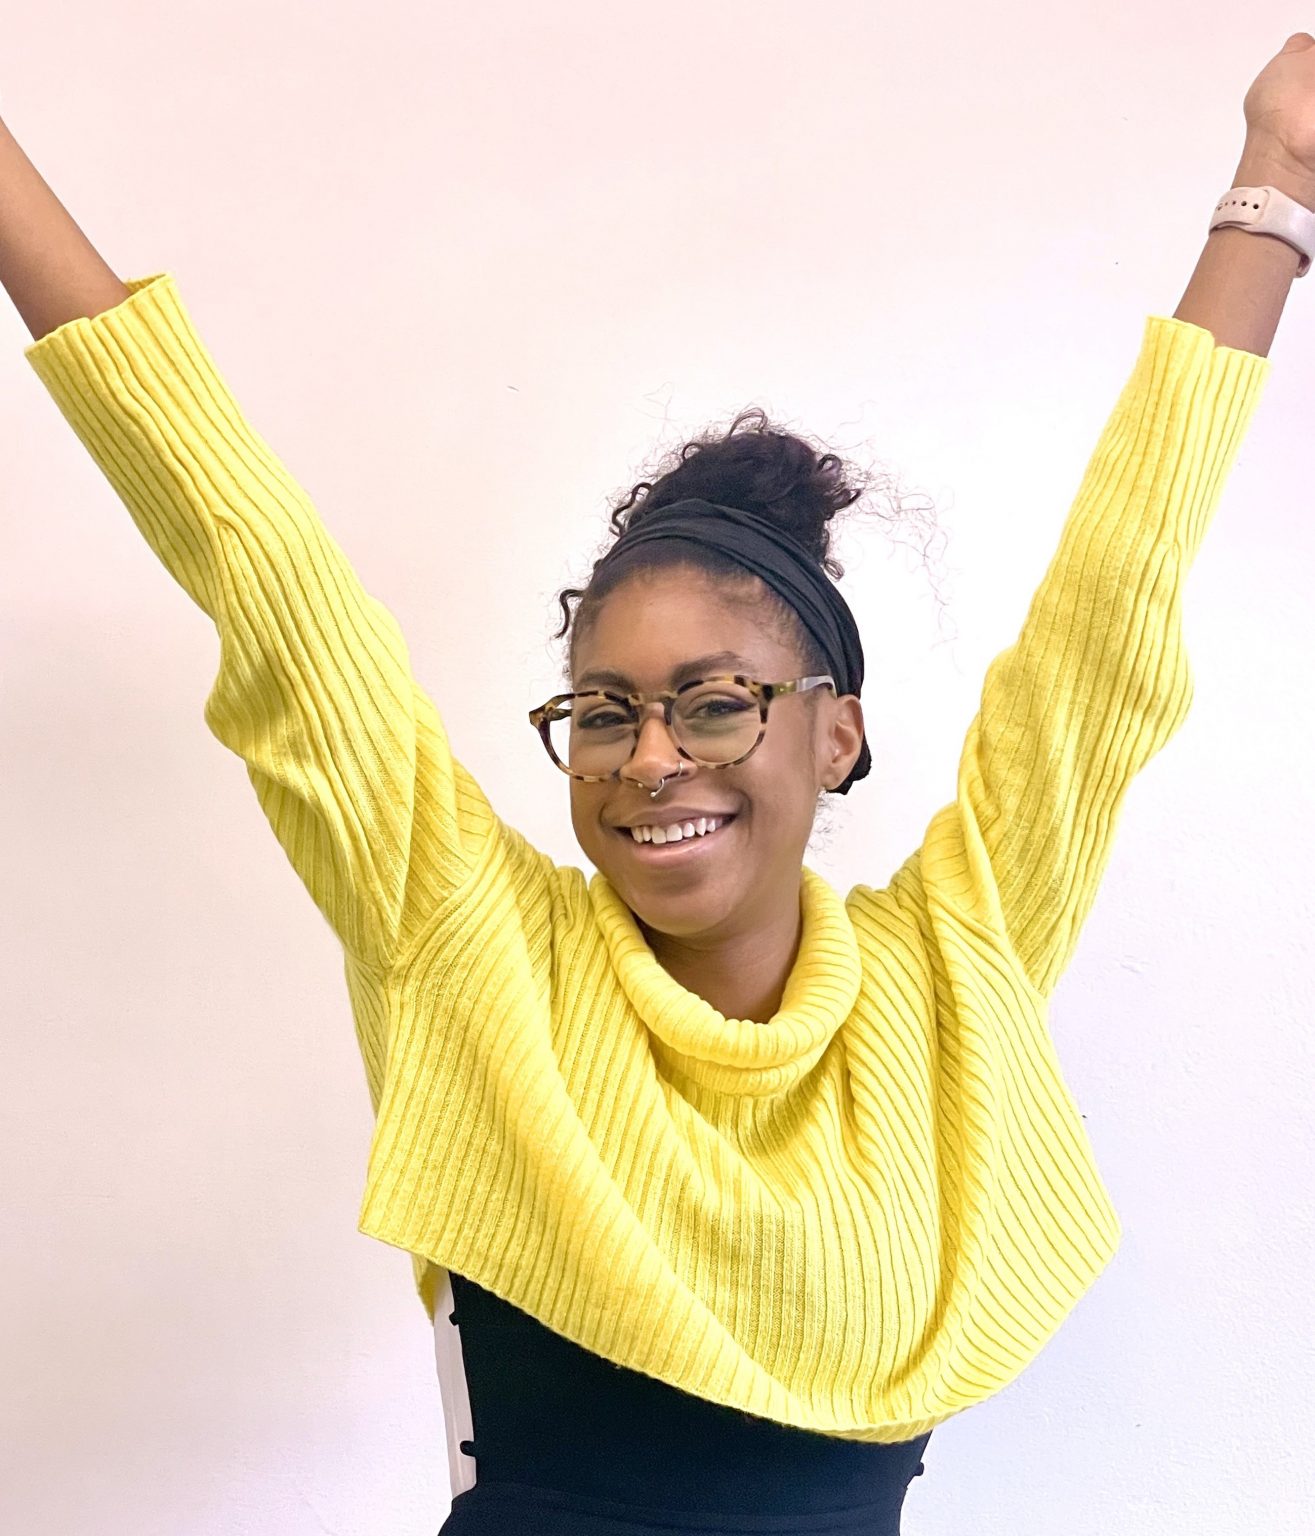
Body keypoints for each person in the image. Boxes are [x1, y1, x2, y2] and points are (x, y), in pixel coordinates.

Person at [4, 33, 1313, 1536]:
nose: (649, 759)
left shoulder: (956, 972)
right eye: (605, 712)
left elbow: (1107, 626)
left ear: (836, 735)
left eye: (714, 704)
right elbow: (262, 568)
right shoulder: (476, 947)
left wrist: (1274, 180)